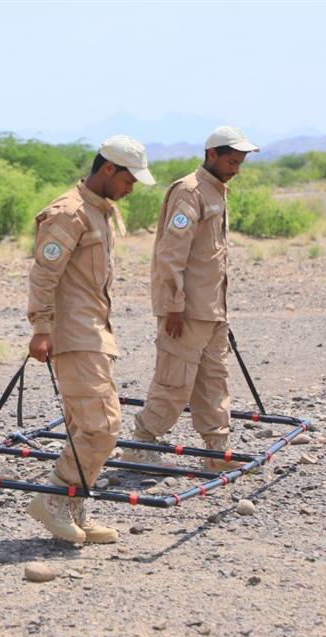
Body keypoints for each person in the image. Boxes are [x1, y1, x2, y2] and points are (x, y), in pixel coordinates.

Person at [25, 135, 154, 543]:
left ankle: (74, 506)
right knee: (101, 426)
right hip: (74, 335)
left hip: (94, 333)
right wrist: (41, 328)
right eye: (129, 179)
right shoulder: (69, 214)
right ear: (109, 169)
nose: (132, 188)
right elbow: (43, 275)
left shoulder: (100, 211)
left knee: (90, 426)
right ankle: (51, 501)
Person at [123, 126, 259, 473]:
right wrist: (173, 305)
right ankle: (141, 443)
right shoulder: (189, 192)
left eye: (240, 163)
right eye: (231, 161)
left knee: (214, 377)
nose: (236, 170)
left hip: (212, 309)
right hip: (186, 310)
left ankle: (216, 449)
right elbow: (172, 254)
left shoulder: (216, 191)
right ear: (211, 154)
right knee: (174, 379)